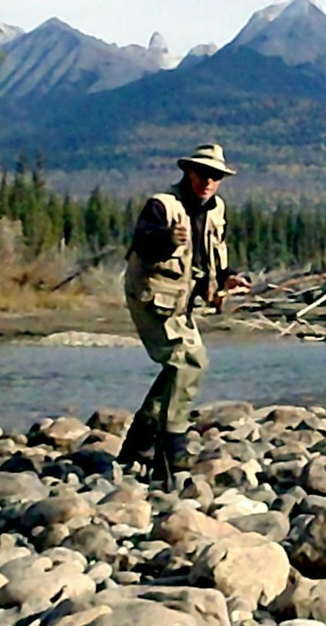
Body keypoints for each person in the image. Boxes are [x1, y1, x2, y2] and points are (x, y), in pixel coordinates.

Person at [118, 143, 250, 479]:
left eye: (216, 176)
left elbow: (214, 253)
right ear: (188, 172)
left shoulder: (216, 208)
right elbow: (144, 244)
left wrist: (227, 277)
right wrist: (167, 238)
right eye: (203, 173)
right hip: (151, 297)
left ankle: (141, 437)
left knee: (183, 365)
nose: (208, 181)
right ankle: (171, 441)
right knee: (189, 361)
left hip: (180, 301)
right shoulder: (162, 205)